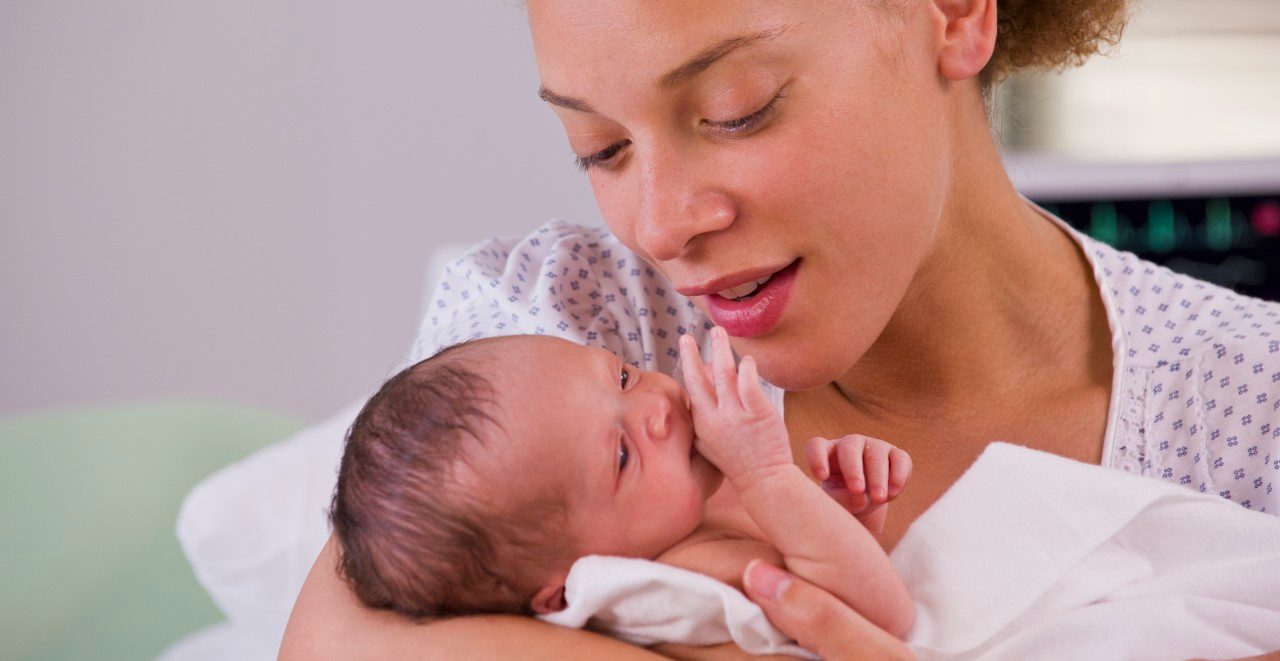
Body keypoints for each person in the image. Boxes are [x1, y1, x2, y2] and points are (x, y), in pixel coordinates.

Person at [281, 1, 1280, 658]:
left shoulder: (1248, 408)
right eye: (601, 147)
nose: (662, 225)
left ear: (953, 14)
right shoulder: (561, 321)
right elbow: (342, 643)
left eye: (735, 110)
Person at [328, 329, 913, 639]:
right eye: (624, 455)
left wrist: (842, 511)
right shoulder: (669, 587)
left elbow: (847, 570)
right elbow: (882, 619)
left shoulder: (689, 520)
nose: (658, 406)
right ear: (564, 590)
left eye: (624, 376)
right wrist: (769, 477)